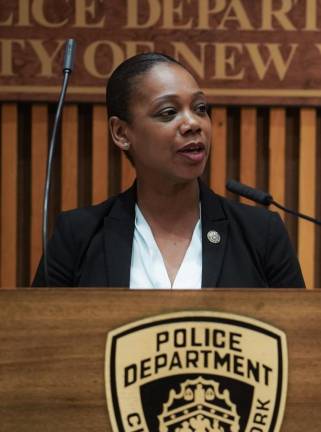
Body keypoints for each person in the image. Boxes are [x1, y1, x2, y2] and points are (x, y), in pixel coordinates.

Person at [32, 52, 305, 288]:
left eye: (200, 108)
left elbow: (299, 343)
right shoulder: (77, 236)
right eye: (168, 112)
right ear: (121, 133)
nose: (192, 123)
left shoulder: (261, 234)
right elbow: (35, 343)